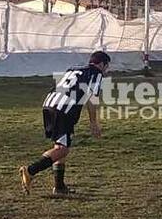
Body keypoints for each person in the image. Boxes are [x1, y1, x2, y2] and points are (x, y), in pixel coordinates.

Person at [19, 51, 110, 196]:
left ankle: (59, 187)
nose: (106, 70)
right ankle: (30, 171)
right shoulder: (96, 73)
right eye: (107, 67)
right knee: (63, 149)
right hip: (63, 110)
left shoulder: (73, 69)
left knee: (60, 146)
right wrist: (94, 123)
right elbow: (92, 99)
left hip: (49, 104)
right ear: (101, 64)